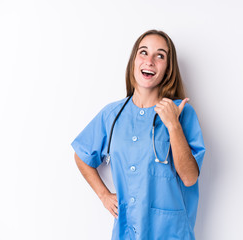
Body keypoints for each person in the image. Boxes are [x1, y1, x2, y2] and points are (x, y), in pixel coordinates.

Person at [71, 29, 206, 239]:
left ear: (168, 68)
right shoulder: (112, 115)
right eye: (143, 52)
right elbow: (82, 155)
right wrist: (104, 195)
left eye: (160, 55)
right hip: (127, 231)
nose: (150, 60)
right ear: (134, 60)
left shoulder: (181, 112)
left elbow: (189, 178)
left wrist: (173, 126)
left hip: (170, 232)